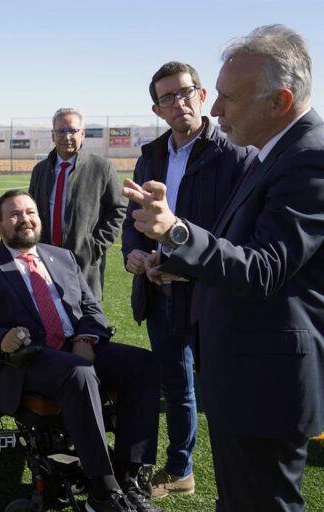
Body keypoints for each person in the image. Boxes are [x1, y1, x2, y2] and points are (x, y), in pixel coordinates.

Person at [123, 24, 324, 511]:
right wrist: (166, 257)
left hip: (266, 384)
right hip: (246, 375)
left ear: (278, 101)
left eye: (228, 98)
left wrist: (175, 233)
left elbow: (263, 268)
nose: (215, 109)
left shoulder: (309, 159)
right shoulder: (273, 154)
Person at [0, 190, 161, 512]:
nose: (25, 219)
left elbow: (93, 311)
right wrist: (1, 339)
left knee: (145, 365)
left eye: (30, 212)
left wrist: (85, 340)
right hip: (23, 360)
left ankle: (129, 479)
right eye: (14, 214)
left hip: (76, 347)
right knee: (77, 373)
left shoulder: (62, 257)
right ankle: (103, 492)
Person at [121, 61, 250, 498]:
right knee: (176, 386)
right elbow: (133, 221)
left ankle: (239, 475)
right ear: (157, 110)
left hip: (213, 295)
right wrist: (134, 254)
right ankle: (180, 469)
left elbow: (240, 233)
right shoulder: (150, 155)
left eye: (184, 92)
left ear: (201, 94)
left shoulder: (234, 153)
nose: (178, 103)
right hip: (161, 294)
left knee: (223, 390)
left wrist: (187, 263)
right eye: (167, 98)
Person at [28, 108, 126, 299]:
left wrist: (94, 247)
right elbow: (31, 211)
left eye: (72, 130)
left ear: (83, 133)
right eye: (61, 131)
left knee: (86, 319)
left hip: (84, 264)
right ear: (53, 135)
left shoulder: (102, 167)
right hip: (45, 260)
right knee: (48, 316)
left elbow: (118, 210)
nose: (67, 136)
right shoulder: (40, 170)